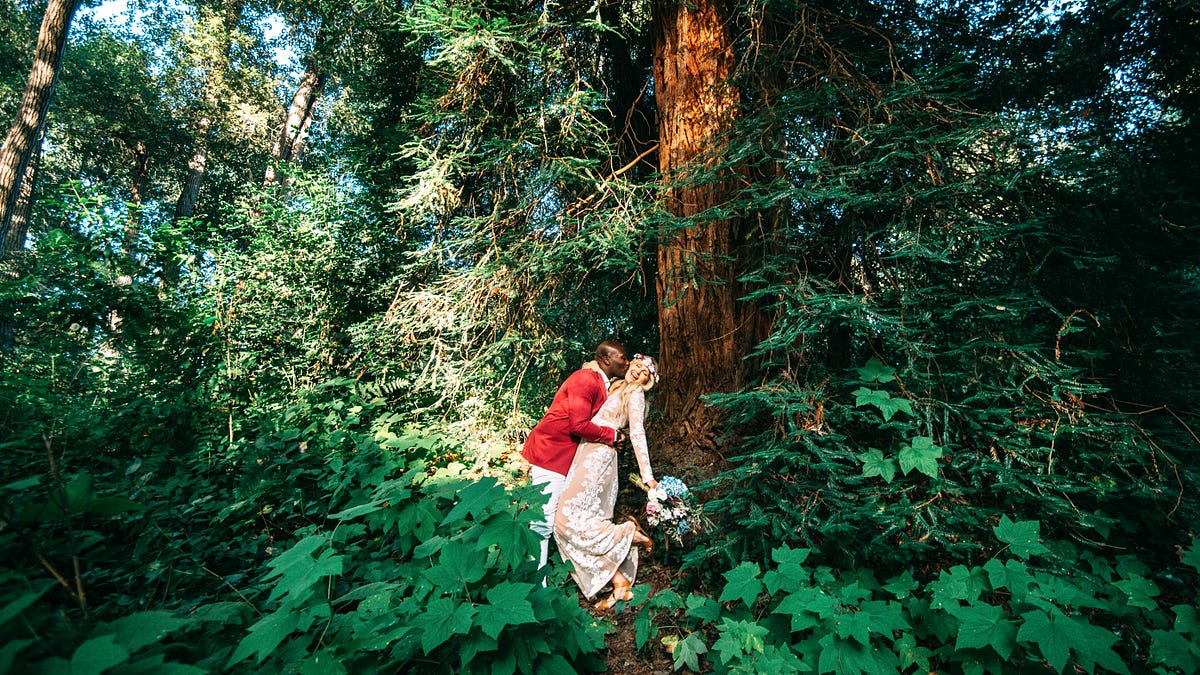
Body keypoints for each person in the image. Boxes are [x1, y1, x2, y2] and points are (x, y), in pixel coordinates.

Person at [554, 353, 659, 610]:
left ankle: (627, 534)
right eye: (637, 366)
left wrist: (648, 476)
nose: (639, 372)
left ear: (647, 382)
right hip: (585, 454)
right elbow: (592, 368)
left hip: (598, 460)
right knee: (573, 525)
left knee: (564, 522)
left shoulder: (635, 395)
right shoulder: (617, 385)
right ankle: (619, 583)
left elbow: (637, 433)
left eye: (645, 373)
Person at [523, 341, 630, 572]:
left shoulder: (602, 384)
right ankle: (534, 582)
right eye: (623, 357)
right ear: (606, 359)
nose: (627, 362)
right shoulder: (585, 379)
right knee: (542, 519)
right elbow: (578, 425)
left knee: (560, 518)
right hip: (550, 451)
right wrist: (612, 436)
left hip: (568, 456)